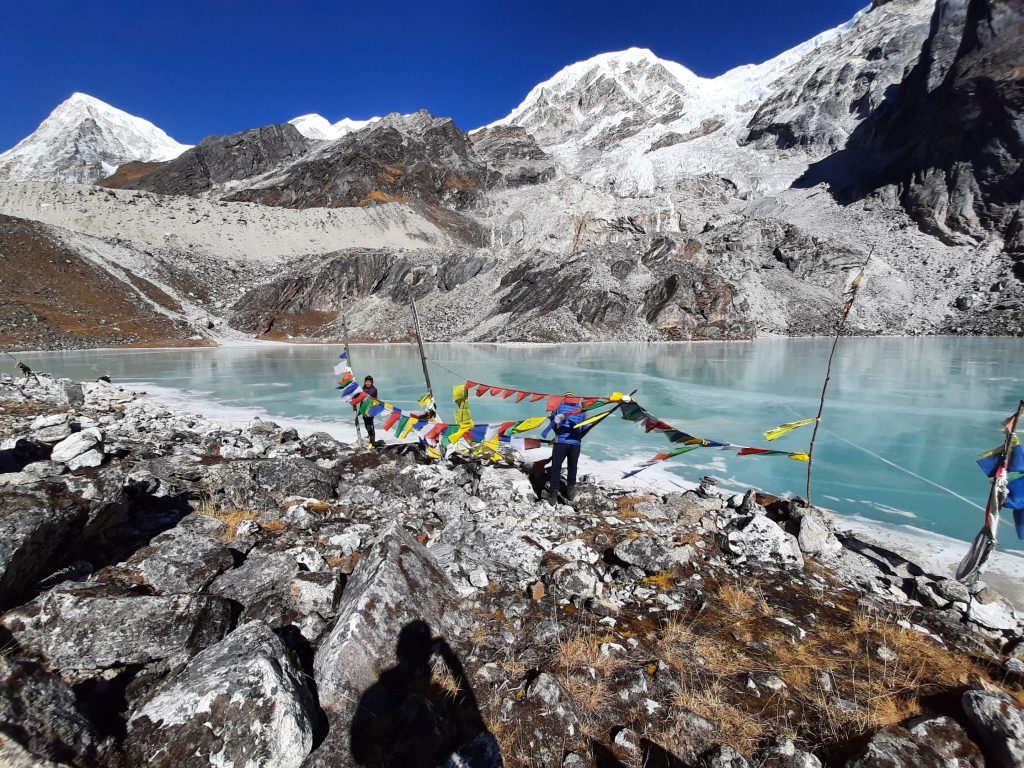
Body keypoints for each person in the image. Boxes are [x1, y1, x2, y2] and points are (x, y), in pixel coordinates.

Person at [542, 393, 586, 503]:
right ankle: (570, 490)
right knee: (572, 466)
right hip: (575, 442)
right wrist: (578, 436)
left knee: (556, 467)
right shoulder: (581, 409)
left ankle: (553, 494)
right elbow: (585, 426)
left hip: (561, 442)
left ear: (564, 398)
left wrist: (558, 433)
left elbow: (553, 421)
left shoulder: (558, 406)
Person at [360, 375, 379, 447]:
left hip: (371, 410)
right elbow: (361, 400)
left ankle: (372, 443)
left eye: (369, 382)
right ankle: (370, 439)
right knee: (366, 425)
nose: (367, 383)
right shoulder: (362, 389)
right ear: (364, 382)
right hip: (364, 410)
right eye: (366, 381)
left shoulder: (374, 389)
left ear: (372, 382)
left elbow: (370, 398)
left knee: (370, 426)